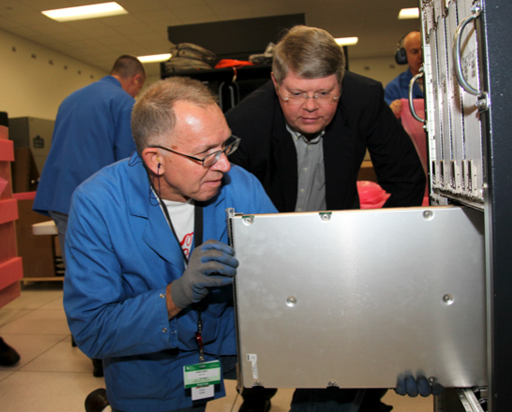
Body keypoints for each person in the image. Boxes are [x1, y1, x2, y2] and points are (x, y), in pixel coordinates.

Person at [225, 25, 428, 412]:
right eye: (296, 94)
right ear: (276, 81)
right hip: (268, 244)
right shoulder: (246, 121)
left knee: (344, 341)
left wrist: (370, 245)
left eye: (324, 93)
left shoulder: (365, 97)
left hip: (339, 243)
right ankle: (258, 394)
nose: (311, 106)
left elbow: (407, 178)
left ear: (341, 83)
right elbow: (220, 202)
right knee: (263, 342)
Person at [63, 77, 277, 412]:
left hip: (223, 351)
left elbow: (285, 275)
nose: (224, 164)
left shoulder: (241, 186)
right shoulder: (98, 203)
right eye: (206, 154)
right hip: (146, 370)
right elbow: (92, 330)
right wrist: (175, 295)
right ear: (156, 160)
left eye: (225, 145)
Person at [33, 55, 145, 377]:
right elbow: (131, 162)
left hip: (60, 197)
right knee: (114, 271)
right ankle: (108, 352)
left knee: (80, 273)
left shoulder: (70, 99)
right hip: (96, 203)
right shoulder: (123, 102)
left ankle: (89, 343)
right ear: (136, 79)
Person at [384, 31, 424, 119]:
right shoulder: (394, 88)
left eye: (423, 49)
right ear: (404, 56)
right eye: (415, 51)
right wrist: (391, 112)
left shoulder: (443, 81)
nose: (421, 55)